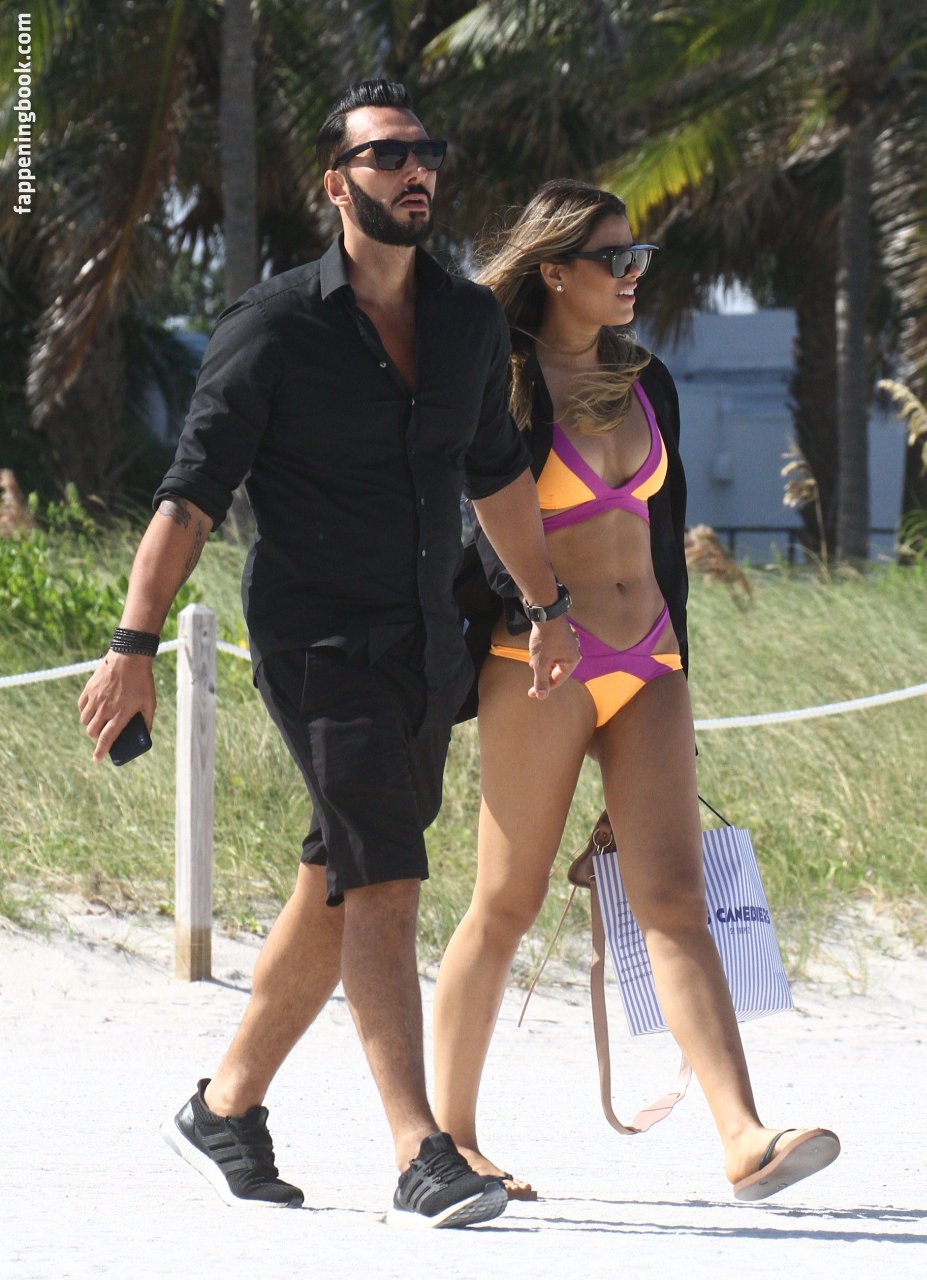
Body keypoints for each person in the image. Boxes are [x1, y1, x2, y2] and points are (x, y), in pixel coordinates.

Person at [77, 81, 578, 1229]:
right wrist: (133, 643)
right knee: (387, 878)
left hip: (429, 641)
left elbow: (496, 472)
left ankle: (224, 1105)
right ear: (336, 183)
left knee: (341, 878)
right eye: (389, 154)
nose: (417, 170)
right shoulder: (271, 328)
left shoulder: (466, 321)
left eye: (426, 151)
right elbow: (190, 496)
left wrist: (546, 606)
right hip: (318, 643)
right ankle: (420, 1151)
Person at [433, 179, 840, 1203]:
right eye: (612, 258)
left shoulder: (644, 378)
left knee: (674, 898)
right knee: (506, 901)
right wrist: (528, 617)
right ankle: (453, 1138)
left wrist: (679, 670)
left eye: (638, 255)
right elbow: (478, 529)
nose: (632, 273)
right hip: (541, 665)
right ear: (553, 272)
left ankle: (743, 1135)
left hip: (650, 660)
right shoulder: (503, 381)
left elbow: (663, 541)